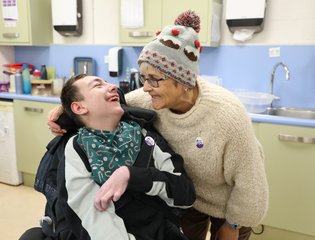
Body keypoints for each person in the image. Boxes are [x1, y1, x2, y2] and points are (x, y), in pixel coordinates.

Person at [48, 10, 269, 240]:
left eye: (153, 79)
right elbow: (114, 104)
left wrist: (233, 225)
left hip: (230, 204)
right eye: (144, 78)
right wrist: (64, 110)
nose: (145, 88)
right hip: (188, 200)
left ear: (183, 81)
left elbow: (251, 183)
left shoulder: (227, 116)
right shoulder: (149, 99)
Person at [58, 74, 195, 240]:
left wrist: (132, 175)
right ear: (79, 108)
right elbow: (92, 217)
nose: (112, 87)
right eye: (98, 85)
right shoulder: (77, 148)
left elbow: (186, 195)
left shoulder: (145, 137)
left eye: (108, 82)